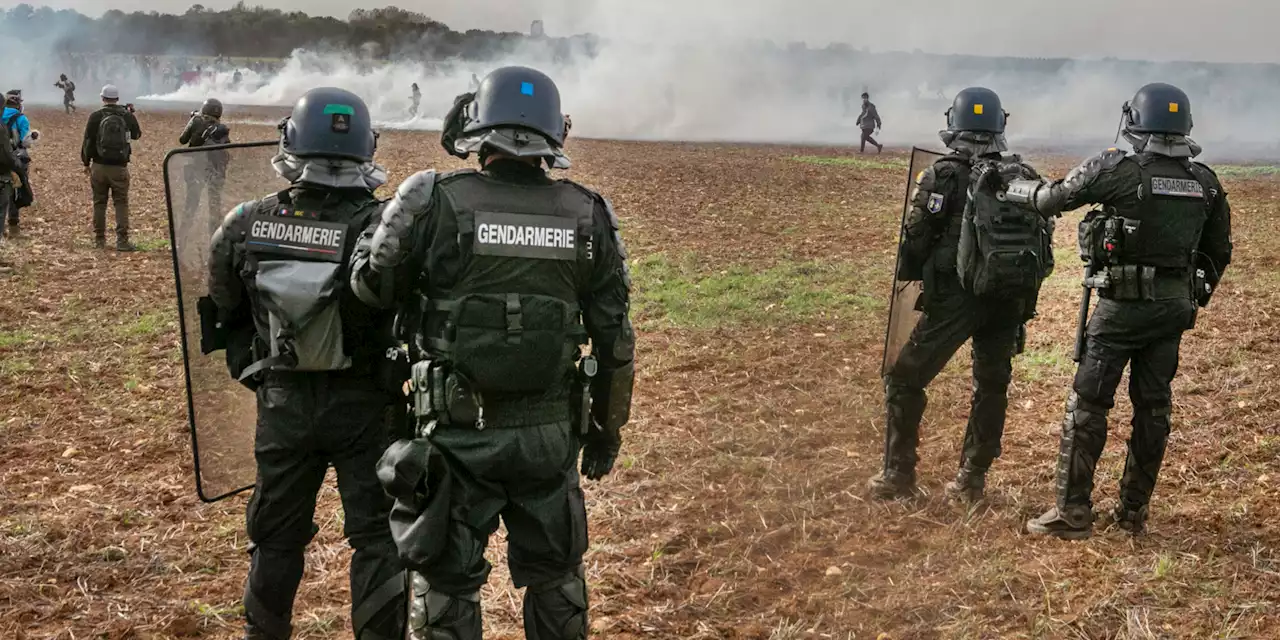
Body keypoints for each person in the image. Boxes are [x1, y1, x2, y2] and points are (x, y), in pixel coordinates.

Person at [351, 66, 635, 640]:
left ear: (478, 130)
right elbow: (616, 341)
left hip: (455, 438)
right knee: (557, 578)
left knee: (448, 585)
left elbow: (371, 291)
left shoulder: (431, 198)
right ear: (554, 136)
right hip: (550, 437)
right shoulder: (588, 213)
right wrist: (606, 432)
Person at [206, 87, 407, 639]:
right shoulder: (386, 224)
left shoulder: (247, 221)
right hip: (368, 408)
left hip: (283, 404)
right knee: (376, 539)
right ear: (366, 148)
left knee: (276, 538)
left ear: (290, 143)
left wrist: (256, 366)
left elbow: (224, 306)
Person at [1008, 83, 1233, 539]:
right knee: (1153, 408)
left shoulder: (1118, 169)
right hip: (1172, 311)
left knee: (1088, 404)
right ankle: (1132, 514)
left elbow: (1052, 200)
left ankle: (1072, 513)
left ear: (1137, 120)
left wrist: (1012, 188)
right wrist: (1189, 295)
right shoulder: (1206, 182)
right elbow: (1218, 253)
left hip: (1119, 310)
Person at [869, 87, 1050, 503]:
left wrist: (912, 275)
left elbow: (916, 237)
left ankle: (898, 476)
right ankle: (971, 480)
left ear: (956, 124)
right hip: (1007, 299)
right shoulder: (1023, 174)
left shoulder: (943, 174)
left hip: (955, 297)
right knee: (991, 385)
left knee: (904, 378)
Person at [81, 84, 142, 251]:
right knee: (121, 203)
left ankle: (99, 240)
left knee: (99, 203)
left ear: (102, 98)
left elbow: (87, 141)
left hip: (99, 166)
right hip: (120, 167)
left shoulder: (95, 116)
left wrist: (86, 163)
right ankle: (122, 241)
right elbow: (136, 135)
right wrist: (130, 114)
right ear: (117, 99)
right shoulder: (125, 115)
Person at [179, 98, 231, 235]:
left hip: (197, 168)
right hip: (216, 171)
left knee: (191, 204)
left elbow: (182, 139)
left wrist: (192, 121)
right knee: (214, 206)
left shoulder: (196, 121)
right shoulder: (222, 130)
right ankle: (215, 235)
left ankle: (182, 236)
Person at [3, 90, 37, 238]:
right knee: (15, 192)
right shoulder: (21, 118)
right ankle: (13, 226)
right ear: (18, 104)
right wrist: (34, 136)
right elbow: (25, 141)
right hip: (16, 158)